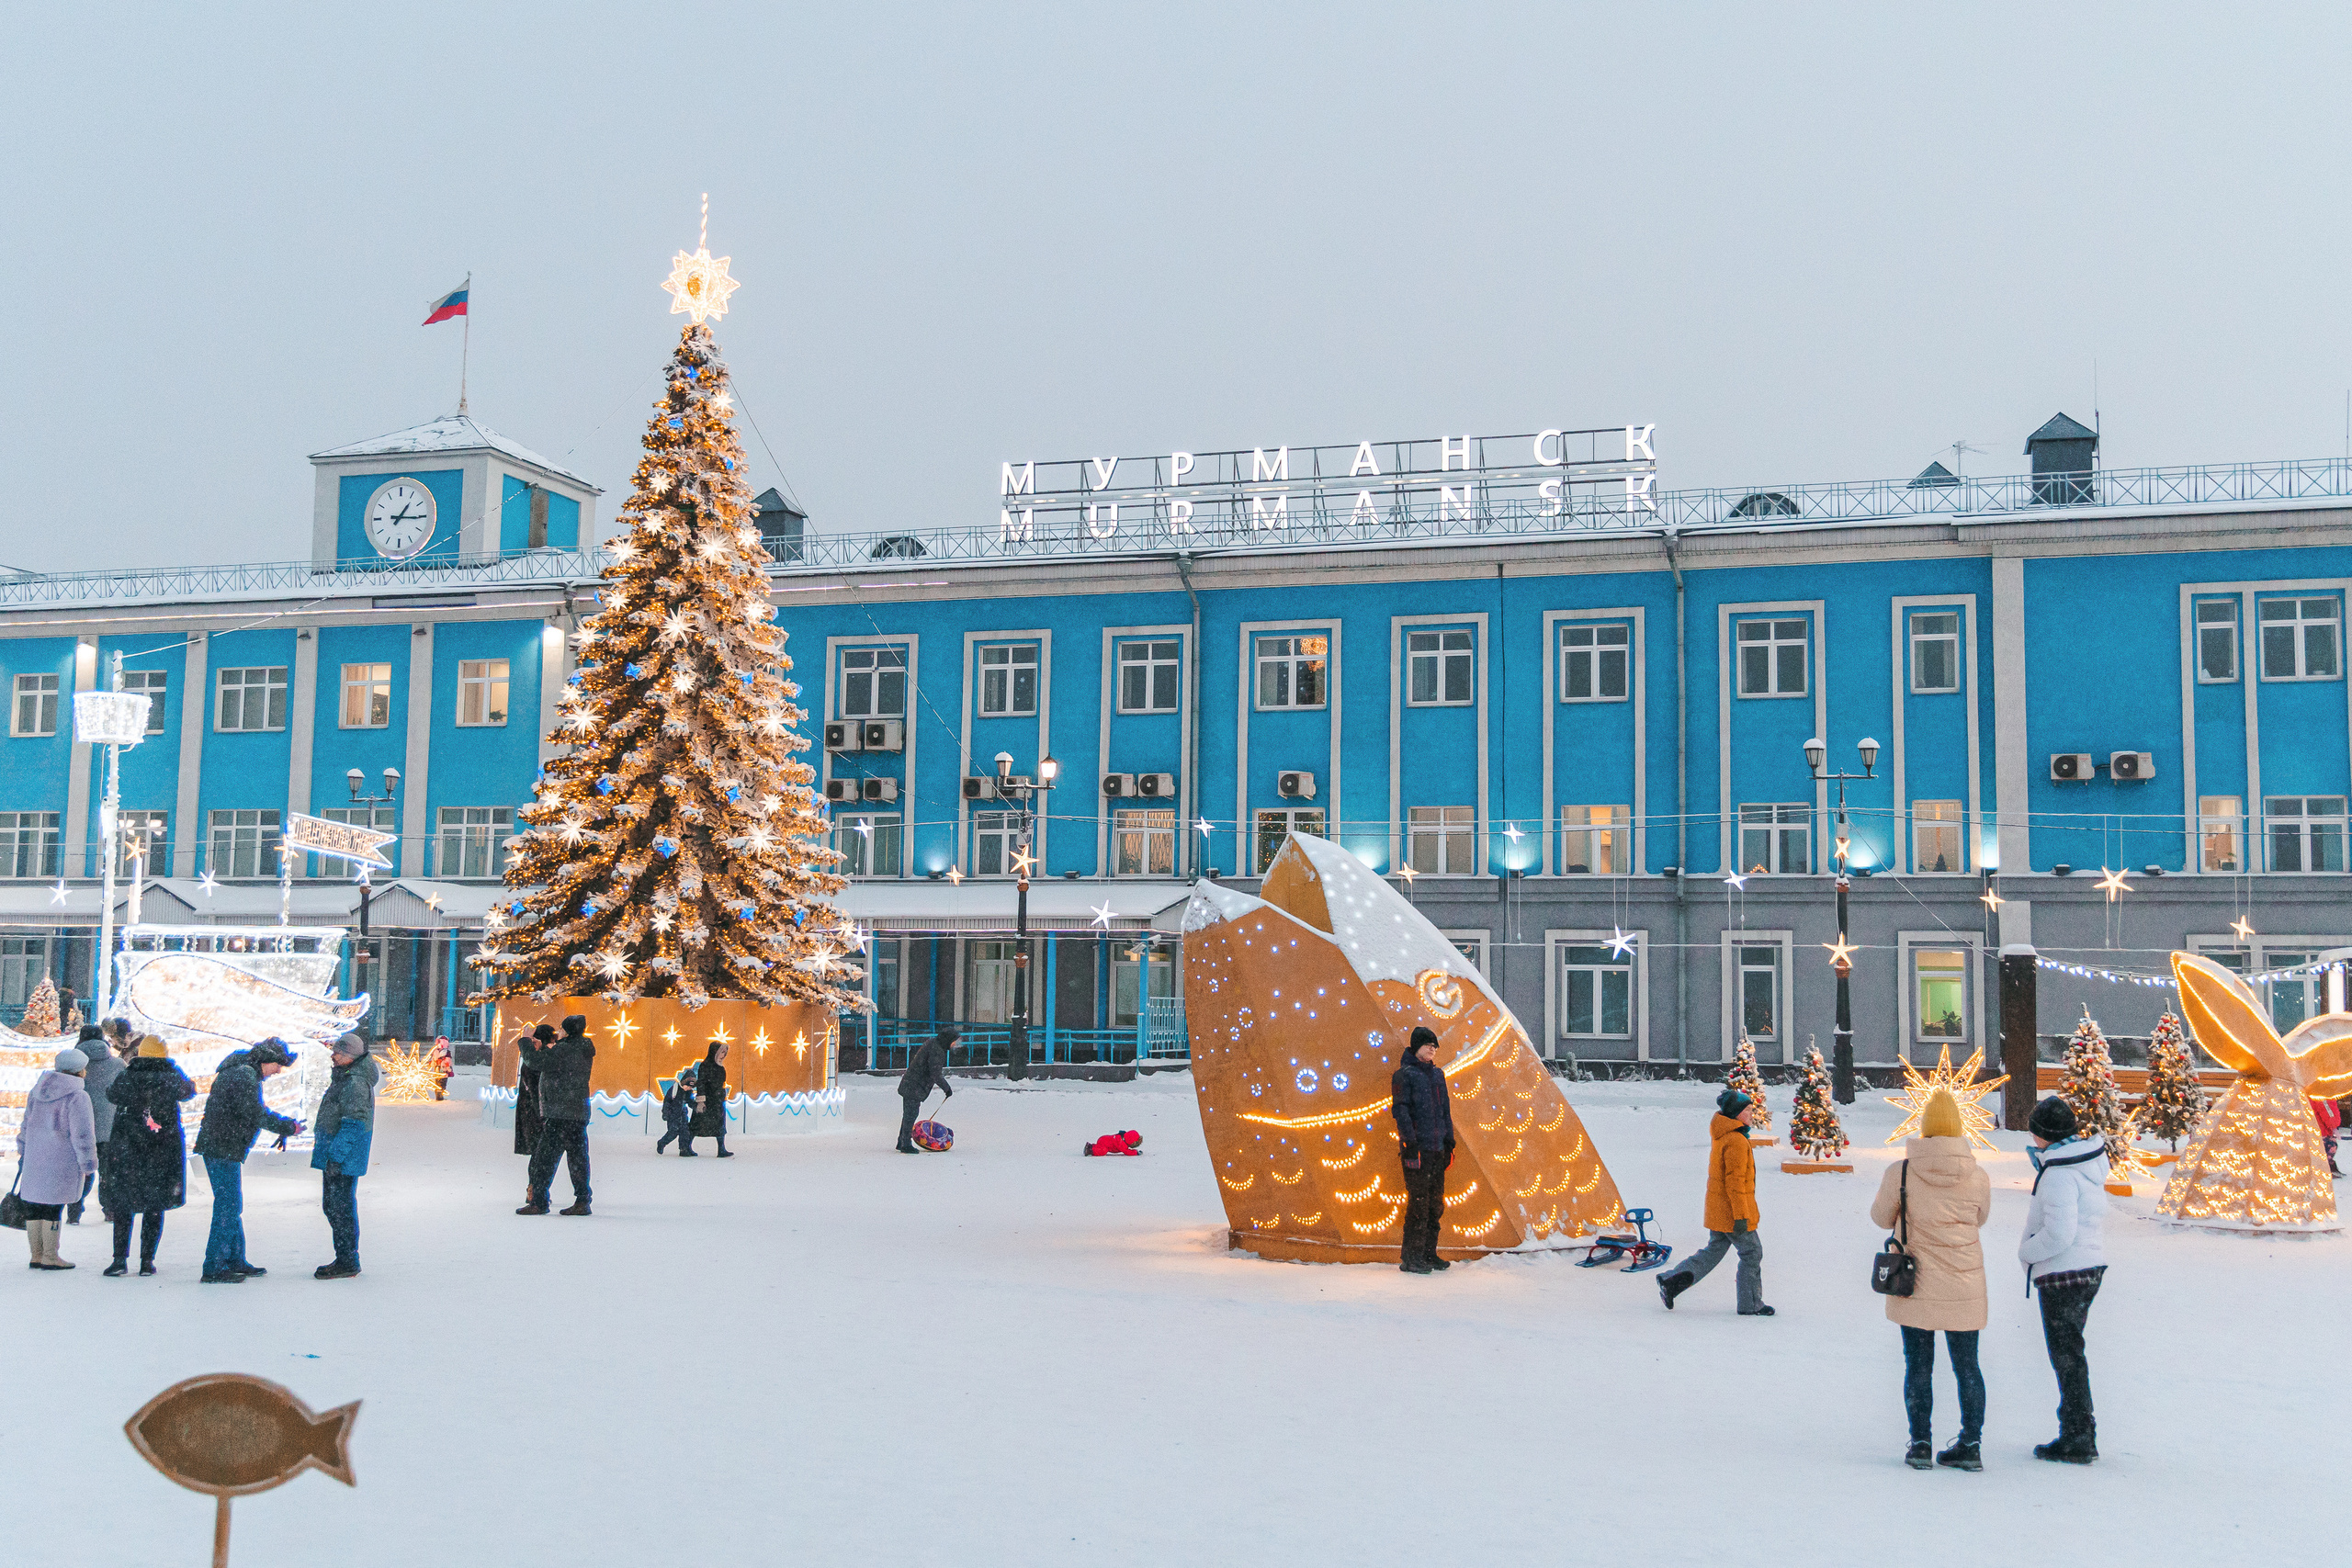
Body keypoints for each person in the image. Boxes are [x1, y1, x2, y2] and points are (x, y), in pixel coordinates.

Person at [1870, 1087, 1993, 1471]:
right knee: (1967, 1366)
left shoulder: (1902, 1171)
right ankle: (1970, 1444)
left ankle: (1920, 1442)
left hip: (1915, 1284)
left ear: (1924, 1127)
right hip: (1964, 1285)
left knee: (1918, 1365)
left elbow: (1879, 1217)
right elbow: (1980, 1218)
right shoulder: (1977, 1175)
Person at [2019, 1095, 2108, 1463]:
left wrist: (2026, 1252)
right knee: (2071, 1354)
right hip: (2086, 1268)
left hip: (2063, 1274)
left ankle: (2077, 1436)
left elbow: (2059, 1234)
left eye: (2035, 1133)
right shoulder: (2083, 1166)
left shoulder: (2058, 1174)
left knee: (2067, 1358)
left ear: (2045, 1136)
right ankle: (2077, 1431)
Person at [191, 1037, 303, 1283]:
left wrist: (284, 1127)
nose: (278, 1071)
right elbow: (254, 1113)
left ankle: (234, 1259)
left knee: (231, 1206)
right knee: (227, 1207)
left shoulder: (243, 1071)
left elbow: (251, 1111)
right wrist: (286, 1126)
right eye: (278, 1065)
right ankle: (214, 1267)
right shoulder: (243, 1074)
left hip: (223, 1147)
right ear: (267, 1060)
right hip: (222, 1148)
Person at [1657, 1088, 1773, 1315]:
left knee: (1714, 1251)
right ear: (1736, 1113)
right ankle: (1750, 1304)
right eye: (1747, 1110)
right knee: (1752, 1253)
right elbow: (1735, 1184)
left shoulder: (1724, 1135)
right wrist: (1741, 1216)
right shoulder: (1737, 1141)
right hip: (1732, 1212)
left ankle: (1670, 1281)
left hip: (1719, 1209)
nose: (1751, 1114)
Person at [101, 1036, 197, 1277]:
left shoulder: (128, 1074)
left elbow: (112, 1095)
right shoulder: (172, 1074)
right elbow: (187, 1092)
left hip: (128, 1149)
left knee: (124, 1205)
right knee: (155, 1206)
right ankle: (147, 1261)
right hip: (161, 1150)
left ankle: (119, 1260)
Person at [16, 1046, 97, 1270]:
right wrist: (88, 1163)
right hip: (61, 1159)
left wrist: (23, 1148)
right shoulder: (78, 1096)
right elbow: (82, 1134)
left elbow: (26, 1123)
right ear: (79, 1070)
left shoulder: (37, 1091)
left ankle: (37, 1254)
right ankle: (51, 1256)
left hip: (35, 1156)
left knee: (36, 1205)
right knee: (53, 1207)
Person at [1390, 1026, 1456, 1274]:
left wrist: (1449, 1141)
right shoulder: (1404, 1075)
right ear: (1416, 1046)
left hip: (1438, 1148)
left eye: (1435, 1045)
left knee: (1435, 1204)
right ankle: (1411, 1257)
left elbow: (1445, 1110)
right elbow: (1401, 1111)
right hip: (1417, 1150)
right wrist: (1410, 1143)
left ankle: (1429, 1254)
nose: (1433, 1048)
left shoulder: (1438, 1075)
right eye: (1428, 1044)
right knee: (1418, 1204)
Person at [311, 1033, 378, 1279]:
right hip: (340, 1155)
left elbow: (353, 1123)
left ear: (349, 1055)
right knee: (335, 1206)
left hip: (343, 1158)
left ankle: (347, 1260)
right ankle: (346, 1258)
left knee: (340, 1208)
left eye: (337, 1052)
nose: (333, 1055)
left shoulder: (355, 1083)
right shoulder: (347, 1077)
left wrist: (336, 1157)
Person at [519, 1015, 594, 1216]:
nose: (558, 1033)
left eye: (561, 1029)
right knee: (578, 1159)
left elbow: (535, 1062)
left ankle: (539, 1201)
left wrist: (525, 1041)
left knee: (543, 1159)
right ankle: (582, 1200)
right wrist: (543, 1048)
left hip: (559, 1114)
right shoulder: (582, 1049)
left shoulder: (564, 1050)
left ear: (568, 1032)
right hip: (577, 1113)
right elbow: (558, 1065)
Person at [69, 1021, 120, 1225]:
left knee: (82, 1172)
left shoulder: (73, 1065)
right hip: (110, 1129)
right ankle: (110, 1211)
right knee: (109, 1173)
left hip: (80, 1128)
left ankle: (74, 1212)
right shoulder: (118, 1065)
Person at [896, 1028, 956, 1154]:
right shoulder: (937, 1050)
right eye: (954, 1041)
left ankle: (902, 1141)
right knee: (910, 1114)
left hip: (911, 1083)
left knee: (908, 1114)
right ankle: (905, 1144)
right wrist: (947, 1088)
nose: (955, 1044)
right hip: (915, 1085)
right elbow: (935, 1074)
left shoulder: (932, 1043)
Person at [513, 1025, 551, 1193]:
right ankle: (534, 1189)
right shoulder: (536, 1062)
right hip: (536, 1115)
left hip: (533, 1113)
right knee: (539, 1154)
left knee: (540, 1154)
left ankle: (536, 1189)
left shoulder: (536, 1060)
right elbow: (535, 1092)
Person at [683, 1040, 731, 1157]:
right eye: (722, 1052)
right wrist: (701, 1101)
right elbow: (702, 1083)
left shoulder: (720, 1067)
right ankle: (685, 1147)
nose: (723, 1055)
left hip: (717, 1101)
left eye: (725, 1053)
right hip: (708, 1101)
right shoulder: (705, 1066)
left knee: (719, 1125)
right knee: (697, 1125)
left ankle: (721, 1149)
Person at [657, 1063, 697, 1156]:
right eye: (687, 1086)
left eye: (691, 1087)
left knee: (685, 1132)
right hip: (673, 1115)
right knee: (673, 1132)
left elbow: (690, 1101)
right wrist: (666, 1113)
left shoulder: (688, 1092)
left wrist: (695, 1106)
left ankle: (683, 1150)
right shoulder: (675, 1089)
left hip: (683, 1115)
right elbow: (667, 1101)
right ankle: (662, 1143)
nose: (688, 1088)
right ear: (683, 1083)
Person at [2312, 1095, 2342, 1178]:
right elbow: (2329, 1114)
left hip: (2313, 1129)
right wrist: (2335, 1124)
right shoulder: (2324, 1095)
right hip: (2321, 1131)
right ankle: (2324, 1169)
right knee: (2331, 1146)